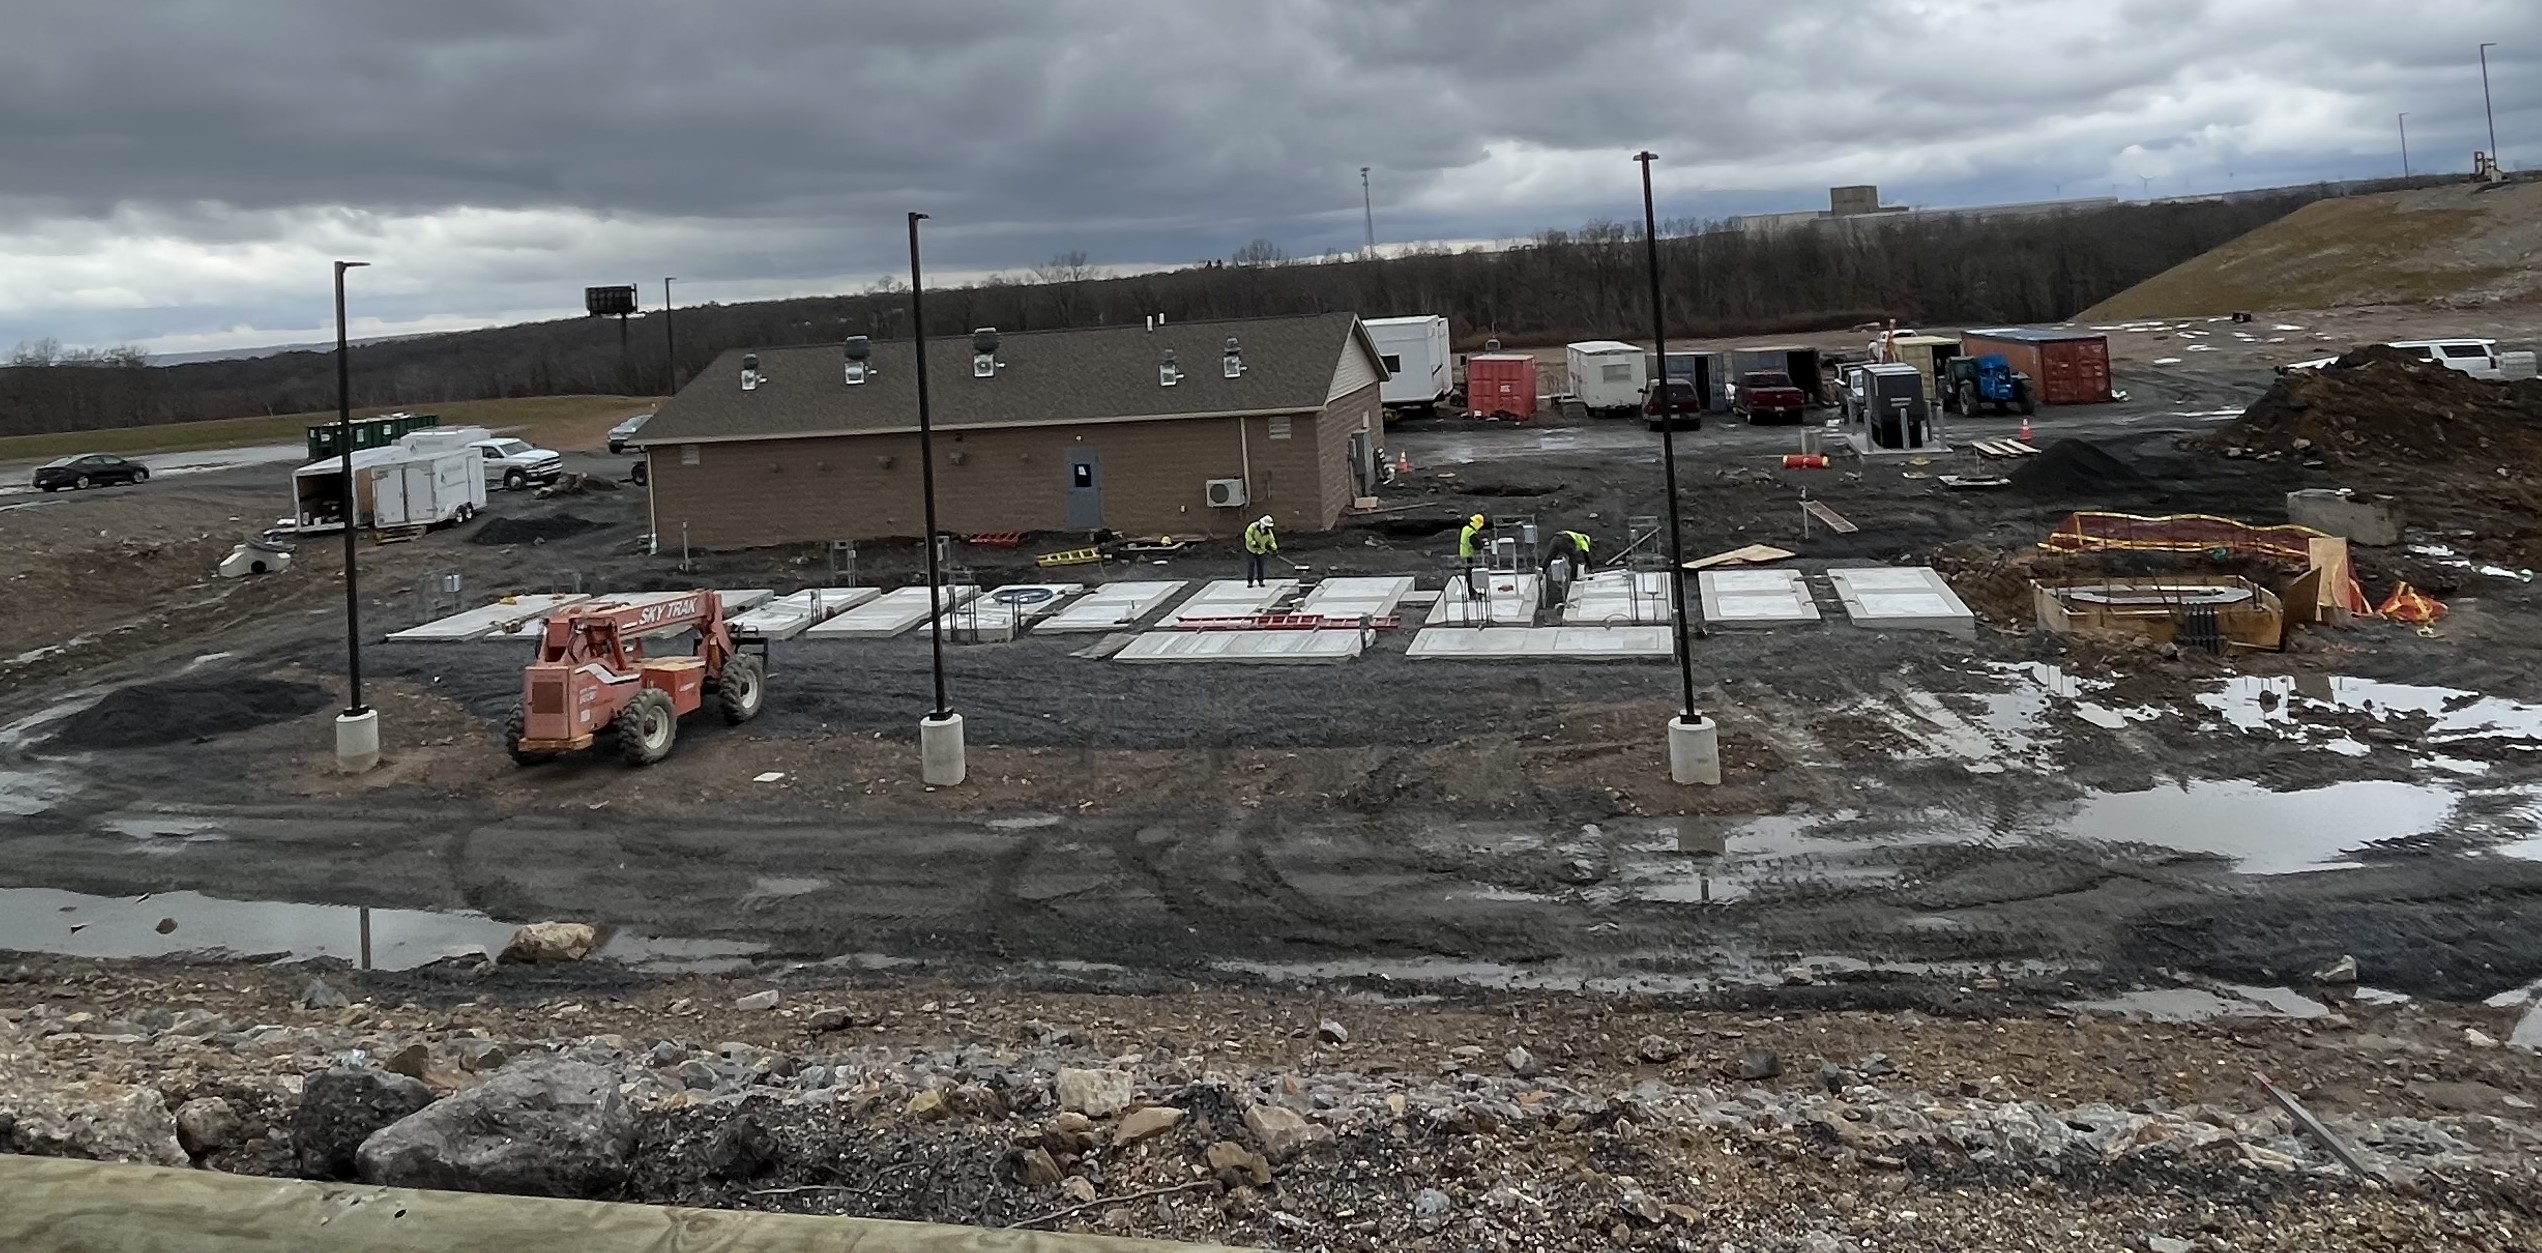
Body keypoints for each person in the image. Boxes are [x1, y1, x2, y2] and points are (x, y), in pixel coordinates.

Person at [1242, 514, 1277, 587]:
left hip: (1261, 550)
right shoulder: (1253, 527)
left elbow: (1271, 540)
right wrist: (1253, 543)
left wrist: (1274, 549)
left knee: (1260, 565)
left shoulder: (1268, 532)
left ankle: (1260, 580)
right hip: (1251, 549)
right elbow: (1248, 535)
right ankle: (1250, 581)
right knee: (1251, 564)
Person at [1457, 513, 1486, 598]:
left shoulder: (1466, 529)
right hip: (1468, 555)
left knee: (1469, 574)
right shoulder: (1471, 532)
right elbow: (1478, 546)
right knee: (1470, 575)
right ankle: (1472, 593)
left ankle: (1472, 592)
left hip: (1465, 554)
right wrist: (1482, 543)